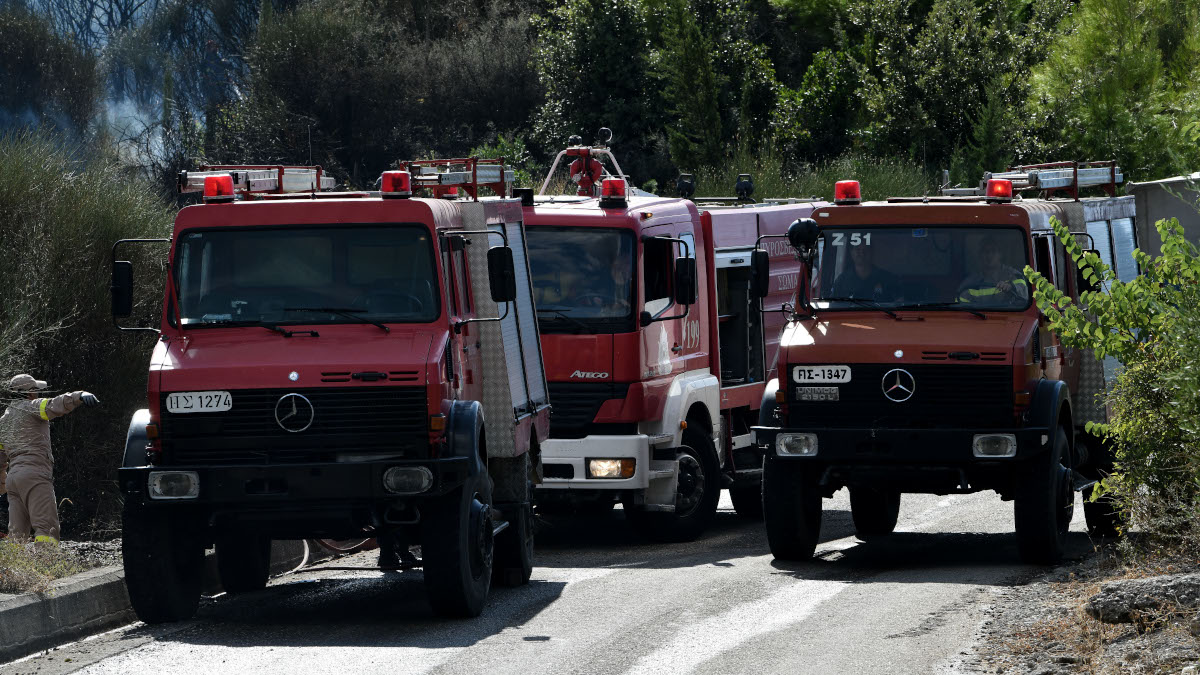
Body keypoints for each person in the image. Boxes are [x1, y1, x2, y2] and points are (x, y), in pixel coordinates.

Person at [0, 374, 99, 543]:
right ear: (29, 393)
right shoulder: (32, 407)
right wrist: (79, 395)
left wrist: (2, 484)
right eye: (36, 390)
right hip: (34, 475)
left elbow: (0, 460)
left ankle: (16, 567)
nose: (38, 393)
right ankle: (46, 565)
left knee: (17, 533)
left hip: (13, 480)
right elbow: (55, 404)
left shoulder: (3, 421)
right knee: (46, 528)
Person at [958, 237, 1029, 307]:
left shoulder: (1012, 275)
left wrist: (1011, 287)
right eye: (985, 252)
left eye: (993, 251)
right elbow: (961, 308)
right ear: (980, 255)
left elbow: (1024, 293)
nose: (989, 255)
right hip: (979, 317)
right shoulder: (971, 282)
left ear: (1000, 254)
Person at [829, 243, 898, 301]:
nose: (862, 253)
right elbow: (833, 304)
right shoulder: (841, 281)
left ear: (872, 252)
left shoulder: (887, 279)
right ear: (851, 252)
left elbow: (899, 304)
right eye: (858, 249)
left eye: (866, 249)